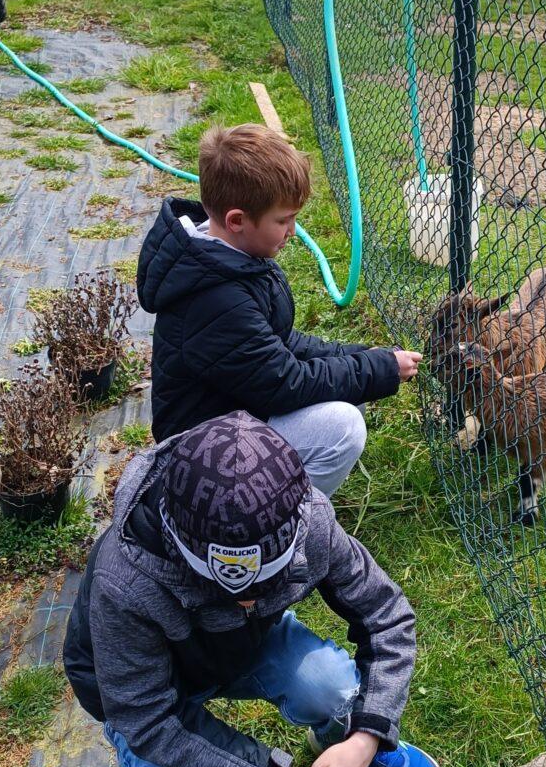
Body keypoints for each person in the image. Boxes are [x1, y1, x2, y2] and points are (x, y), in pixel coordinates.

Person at [63, 411, 448, 767]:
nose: (248, 601)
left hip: (238, 649)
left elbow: (386, 615)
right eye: (229, 590)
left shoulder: (309, 519)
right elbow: (147, 718)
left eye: (267, 584)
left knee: (330, 685)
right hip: (142, 693)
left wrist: (368, 736)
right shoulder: (124, 581)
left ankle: (342, 741)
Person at [137, 123, 421, 493]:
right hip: (202, 457)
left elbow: (279, 342)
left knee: (348, 392)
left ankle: (278, 500)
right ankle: (279, 522)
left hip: (230, 418)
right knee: (342, 426)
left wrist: (363, 356)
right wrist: (379, 368)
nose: (293, 230)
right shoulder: (215, 297)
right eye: (284, 220)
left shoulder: (229, 258)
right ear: (237, 221)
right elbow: (285, 382)